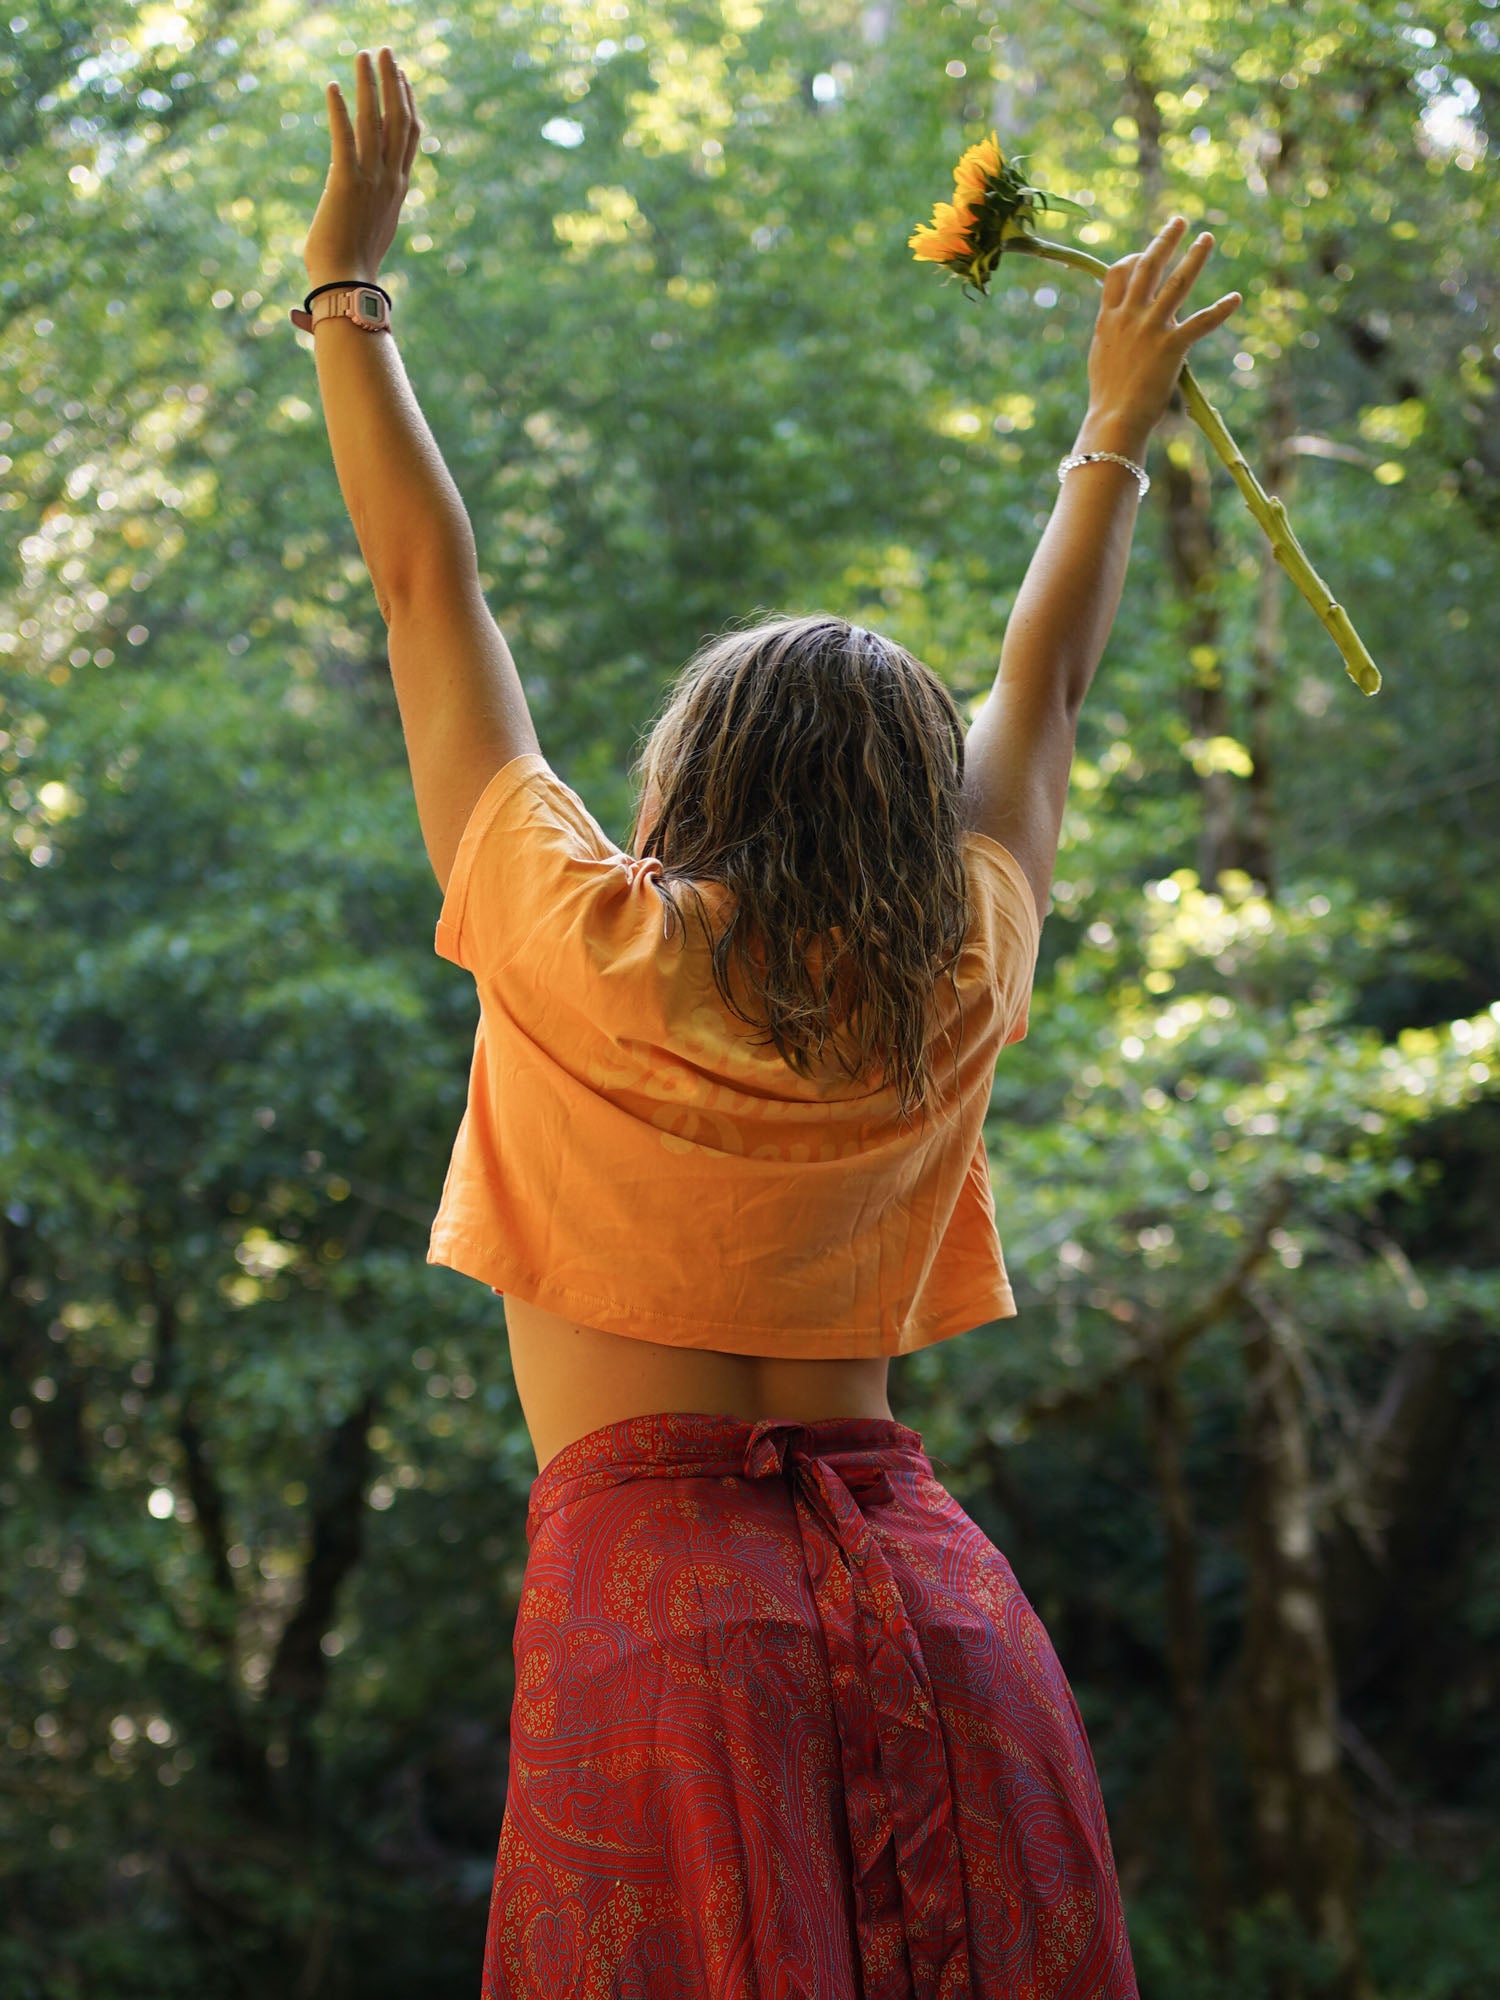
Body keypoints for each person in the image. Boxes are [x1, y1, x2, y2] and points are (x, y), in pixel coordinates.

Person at [299, 46, 1242, 2000]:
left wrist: (349, 290)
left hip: (663, 1632)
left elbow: (423, 588)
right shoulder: (948, 977)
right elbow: (1042, 698)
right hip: (944, 1613)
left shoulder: (581, 937)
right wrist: (1113, 431)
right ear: (912, 812)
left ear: (686, 778)